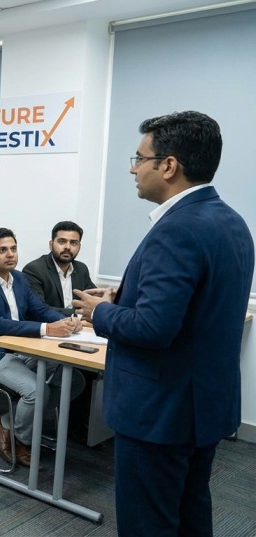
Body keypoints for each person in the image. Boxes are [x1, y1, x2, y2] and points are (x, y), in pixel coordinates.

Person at [73, 111, 254, 536]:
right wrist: (122, 298)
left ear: (169, 165)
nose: (133, 169)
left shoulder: (177, 229)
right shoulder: (231, 222)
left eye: (139, 159)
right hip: (203, 405)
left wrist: (100, 312)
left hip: (160, 412)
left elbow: (153, 329)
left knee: (149, 523)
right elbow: (198, 307)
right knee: (190, 513)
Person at [0, 228, 83, 467]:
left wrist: (66, 321)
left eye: (13, 248)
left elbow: (39, 309)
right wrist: (48, 329)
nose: (10, 254)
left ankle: (6, 421)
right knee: (36, 391)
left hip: (19, 348)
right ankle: (20, 438)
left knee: (74, 380)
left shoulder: (19, 278)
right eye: (2, 250)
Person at [21, 221, 95, 316]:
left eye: (73, 243)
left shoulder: (81, 269)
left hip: (80, 324)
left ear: (79, 247)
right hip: (50, 324)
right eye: (62, 241)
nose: (67, 247)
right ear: (51, 244)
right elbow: (38, 309)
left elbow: (94, 299)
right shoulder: (34, 270)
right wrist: (79, 315)